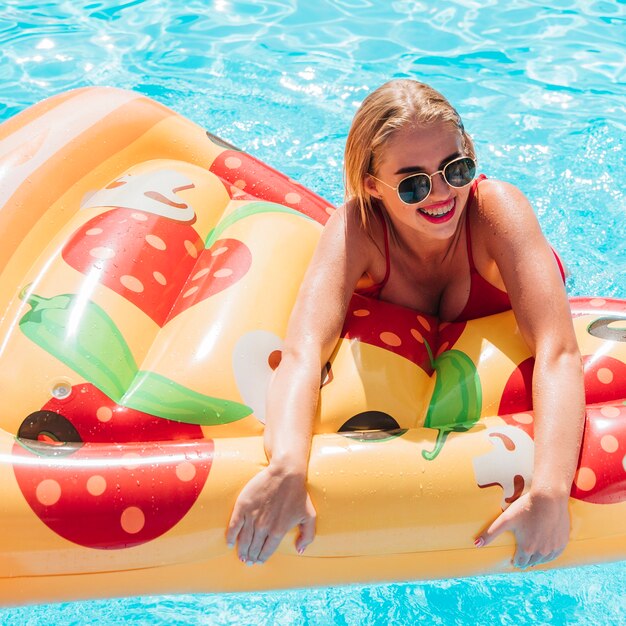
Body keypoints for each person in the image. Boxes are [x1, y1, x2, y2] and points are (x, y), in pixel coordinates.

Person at [226, 79, 585, 570]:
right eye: (413, 183)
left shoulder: (496, 211)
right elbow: (302, 352)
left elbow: (558, 352)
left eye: (456, 169)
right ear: (374, 185)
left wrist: (549, 491)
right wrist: (288, 466)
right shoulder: (358, 230)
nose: (441, 195)